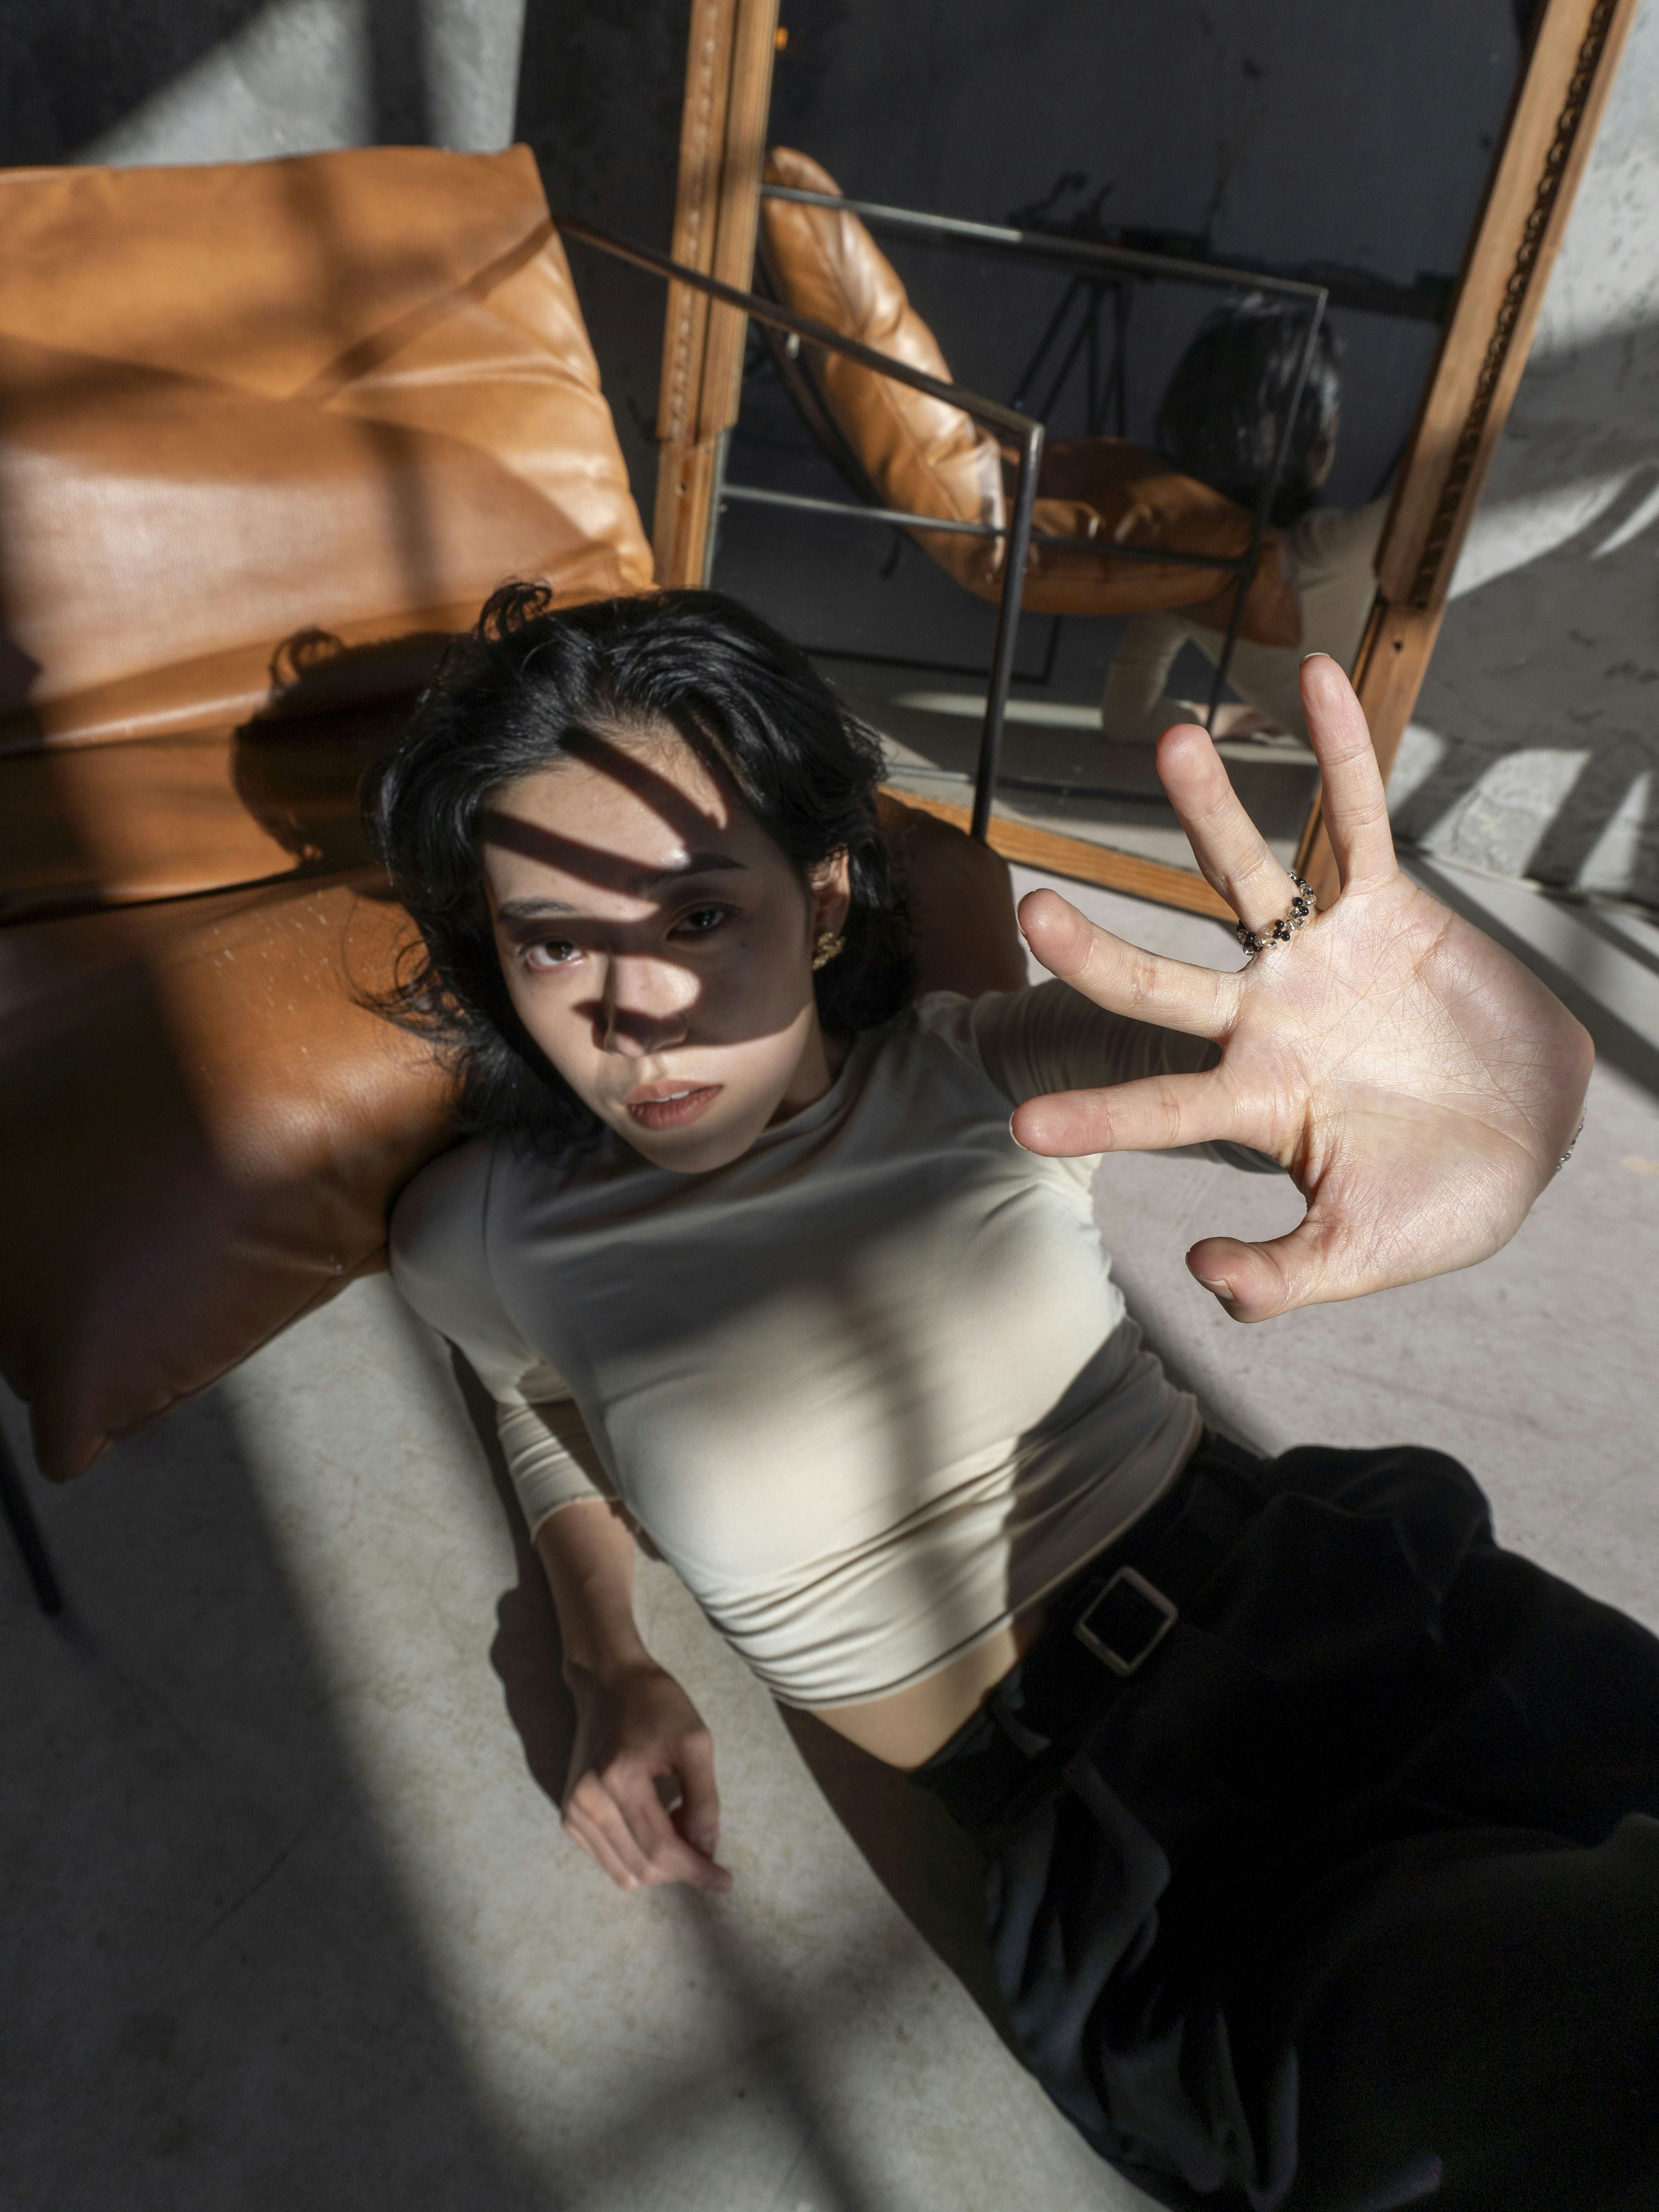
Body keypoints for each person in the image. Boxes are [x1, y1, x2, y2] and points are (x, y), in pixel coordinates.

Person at [368, 583, 1658, 2212]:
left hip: (1362, 1603)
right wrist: (601, 1648)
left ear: (821, 894)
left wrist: (1498, 1102)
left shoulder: (982, 1069)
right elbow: (535, 1391)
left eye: (699, 913)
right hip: (1147, 1859)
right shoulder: (482, 1228)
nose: (636, 1012)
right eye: (554, 938)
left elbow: (1301, 1094)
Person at [1103, 297, 1387, 750]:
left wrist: (1228, 718)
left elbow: (1125, 718)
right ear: (1317, 432)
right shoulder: (1341, 547)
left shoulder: (1186, 580)